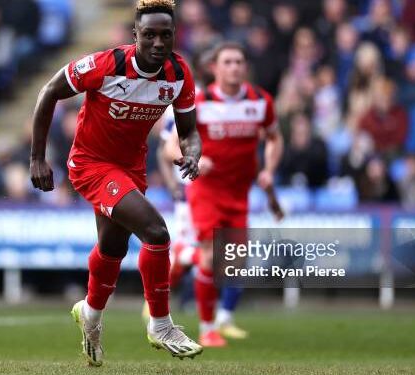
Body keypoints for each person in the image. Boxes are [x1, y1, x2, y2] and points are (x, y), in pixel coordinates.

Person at [28, 0, 203, 366]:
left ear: (174, 36)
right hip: (91, 165)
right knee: (156, 231)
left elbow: (189, 132)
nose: (158, 42)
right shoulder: (106, 65)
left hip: (130, 169)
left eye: (165, 35)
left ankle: (90, 313)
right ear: (134, 35)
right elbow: (48, 92)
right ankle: (160, 324)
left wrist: (192, 152)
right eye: (150, 35)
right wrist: (37, 158)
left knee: (112, 247)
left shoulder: (178, 74)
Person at [167, 42, 283, 347]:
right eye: (228, 62)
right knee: (210, 255)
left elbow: (274, 137)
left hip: (239, 191)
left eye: (239, 61)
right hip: (206, 189)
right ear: (214, 68)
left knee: (234, 260)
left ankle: (213, 308)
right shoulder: (199, 102)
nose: (234, 67)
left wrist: (269, 168)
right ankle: (207, 328)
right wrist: (193, 158)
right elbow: (170, 146)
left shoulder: (260, 101)